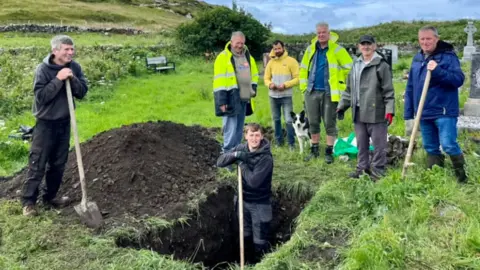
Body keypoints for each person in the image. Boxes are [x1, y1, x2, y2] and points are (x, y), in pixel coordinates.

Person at [21, 35, 88, 216]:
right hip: (45, 124)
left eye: (72, 49)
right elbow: (41, 97)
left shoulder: (74, 67)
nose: (70, 52)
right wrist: (58, 79)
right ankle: (28, 203)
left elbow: (82, 92)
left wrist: (72, 79)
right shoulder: (43, 70)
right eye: (66, 49)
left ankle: (50, 198)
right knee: (38, 163)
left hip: (65, 123)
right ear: (55, 51)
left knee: (58, 164)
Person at [404, 25, 467, 183]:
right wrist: (408, 112)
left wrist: (438, 71)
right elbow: (411, 86)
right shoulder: (417, 59)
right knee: (430, 147)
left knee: (448, 145)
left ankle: (462, 177)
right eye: (422, 39)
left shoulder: (448, 56)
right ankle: (436, 177)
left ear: (436, 39)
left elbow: (458, 80)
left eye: (429, 39)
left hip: (443, 110)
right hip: (423, 112)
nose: (425, 42)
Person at [337, 35, 395, 180]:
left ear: (374, 46)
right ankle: (362, 169)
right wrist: (341, 106)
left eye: (369, 44)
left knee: (378, 145)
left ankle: (377, 171)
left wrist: (389, 110)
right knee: (361, 144)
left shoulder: (381, 65)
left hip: (376, 111)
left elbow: (388, 90)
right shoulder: (355, 65)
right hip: (358, 111)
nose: (366, 47)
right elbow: (349, 89)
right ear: (359, 47)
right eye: (363, 44)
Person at [216, 123, 273, 263]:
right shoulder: (241, 148)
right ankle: (246, 264)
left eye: (257, 135)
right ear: (246, 136)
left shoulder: (266, 158)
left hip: (260, 204)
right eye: (251, 135)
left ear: (262, 137)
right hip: (243, 202)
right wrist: (236, 154)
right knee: (244, 236)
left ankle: (261, 265)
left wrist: (242, 164)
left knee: (260, 242)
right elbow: (220, 162)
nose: (254, 138)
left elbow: (254, 181)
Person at [299, 22, 353, 163]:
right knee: (313, 122)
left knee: (330, 122)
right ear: (316, 34)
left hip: (330, 93)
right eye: (319, 33)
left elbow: (350, 69)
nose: (321, 35)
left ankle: (329, 151)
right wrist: (304, 87)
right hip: (311, 91)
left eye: (324, 32)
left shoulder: (337, 50)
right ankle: (314, 150)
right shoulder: (310, 49)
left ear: (329, 34)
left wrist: (338, 80)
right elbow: (303, 68)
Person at [213, 31, 259, 165]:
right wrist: (221, 101)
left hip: (244, 98)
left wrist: (253, 88)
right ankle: (226, 158)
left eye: (242, 43)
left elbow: (254, 74)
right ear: (231, 42)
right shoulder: (223, 57)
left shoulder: (248, 56)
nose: (240, 45)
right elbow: (219, 81)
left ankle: (236, 155)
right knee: (230, 129)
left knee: (239, 129)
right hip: (230, 98)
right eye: (237, 43)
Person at [263, 40, 299, 149]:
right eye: (275, 49)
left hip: (286, 95)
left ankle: (291, 143)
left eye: (279, 48)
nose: (277, 51)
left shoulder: (291, 61)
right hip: (273, 96)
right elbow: (266, 78)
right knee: (276, 119)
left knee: (289, 120)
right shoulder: (271, 62)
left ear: (283, 48)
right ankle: (279, 142)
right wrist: (270, 84)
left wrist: (286, 85)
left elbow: (298, 78)